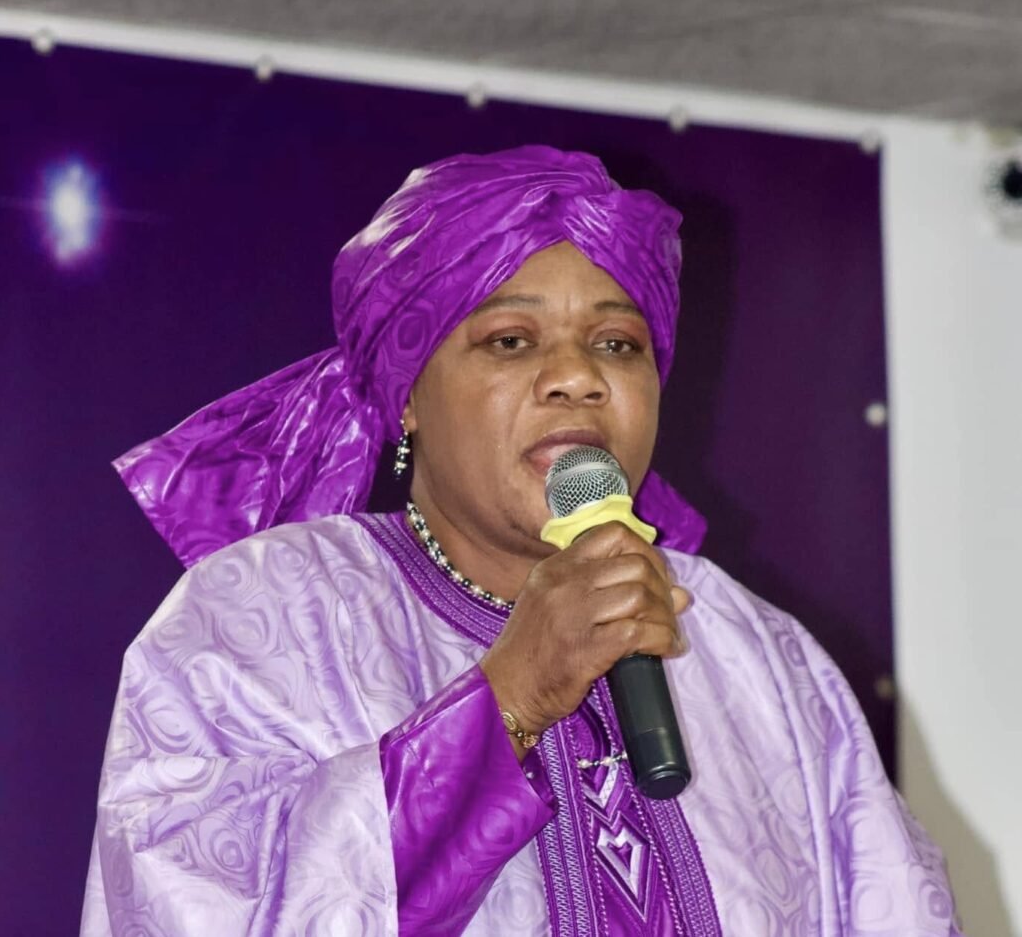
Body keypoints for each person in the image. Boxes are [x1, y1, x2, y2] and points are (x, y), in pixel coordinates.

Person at [81, 146, 961, 936]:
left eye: (617, 343)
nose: (578, 377)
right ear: (408, 397)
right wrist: (512, 694)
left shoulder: (757, 654)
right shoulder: (258, 617)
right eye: (511, 340)